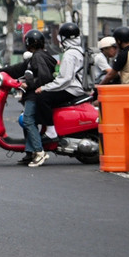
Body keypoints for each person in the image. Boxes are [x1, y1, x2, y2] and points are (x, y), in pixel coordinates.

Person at [26, 22, 87, 167]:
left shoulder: (70, 54)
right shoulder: (78, 51)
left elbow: (65, 79)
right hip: (75, 87)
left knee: (42, 97)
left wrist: (45, 87)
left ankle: (51, 131)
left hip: (71, 89)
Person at [11, 29, 57, 166]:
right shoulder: (41, 55)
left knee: (28, 121)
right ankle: (29, 152)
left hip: (34, 94)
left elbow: (44, 77)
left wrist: (28, 84)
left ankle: (39, 152)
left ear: (28, 43)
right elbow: (19, 69)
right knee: (28, 121)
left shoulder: (37, 57)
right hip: (36, 94)